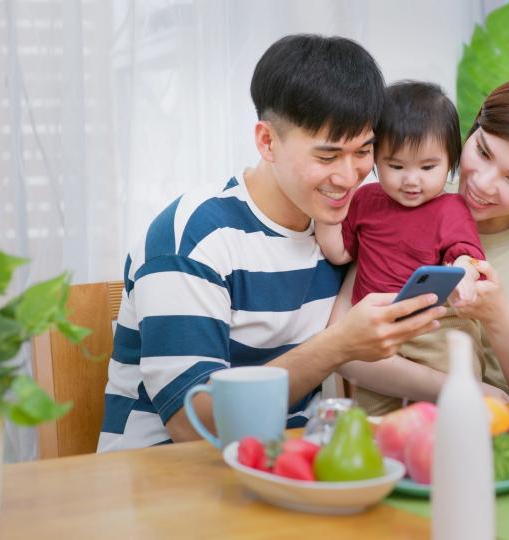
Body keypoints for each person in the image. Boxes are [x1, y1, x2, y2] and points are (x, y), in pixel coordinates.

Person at [98, 35, 447, 452]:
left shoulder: (340, 229)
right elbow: (193, 426)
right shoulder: (193, 237)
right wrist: (337, 345)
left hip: (286, 467)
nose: (349, 175)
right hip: (166, 478)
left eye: (363, 151)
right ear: (267, 142)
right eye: (327, 156)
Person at [339, 71, 509, 402]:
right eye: (483, 152)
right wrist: (466, 393)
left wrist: (495, 315)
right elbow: (343, 345)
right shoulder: (415, 194)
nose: (482, 184)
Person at [315, 81, 487, 415]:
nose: (411, 180)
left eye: (427, 167)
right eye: (396, 166)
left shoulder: (451, 208)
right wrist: (323, 211)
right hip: (377, 326)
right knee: (374, 417)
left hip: (435, 326)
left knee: (454, 408)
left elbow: (466, 255)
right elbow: (339, 252)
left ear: (451, 162)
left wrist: (465, 273)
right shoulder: (364, 200)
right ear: (375, 158)